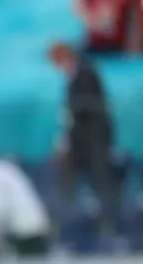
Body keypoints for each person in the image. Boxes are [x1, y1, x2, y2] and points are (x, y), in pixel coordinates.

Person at [48, 42, 118, 232]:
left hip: (93, 142)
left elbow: (89, 109)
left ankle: (107, 226)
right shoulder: (73, 76)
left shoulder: (85, 73)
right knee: (70, 180)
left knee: (101, 183)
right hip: (80, 143)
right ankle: (70, 223)